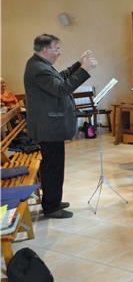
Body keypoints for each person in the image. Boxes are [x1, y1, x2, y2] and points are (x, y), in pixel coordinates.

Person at [24, 34, 97, 218]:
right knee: (52, 167)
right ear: (45, 50)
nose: (59, 52)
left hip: (49, 127)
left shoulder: (40, 65)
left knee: (54, 166)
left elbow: (60, 77)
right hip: (48, 128)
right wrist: (85, 70)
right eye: (56, 48)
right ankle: (52, 207)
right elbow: (61, 88)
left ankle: (53, 199)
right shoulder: (39, 68)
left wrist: (79, 65)